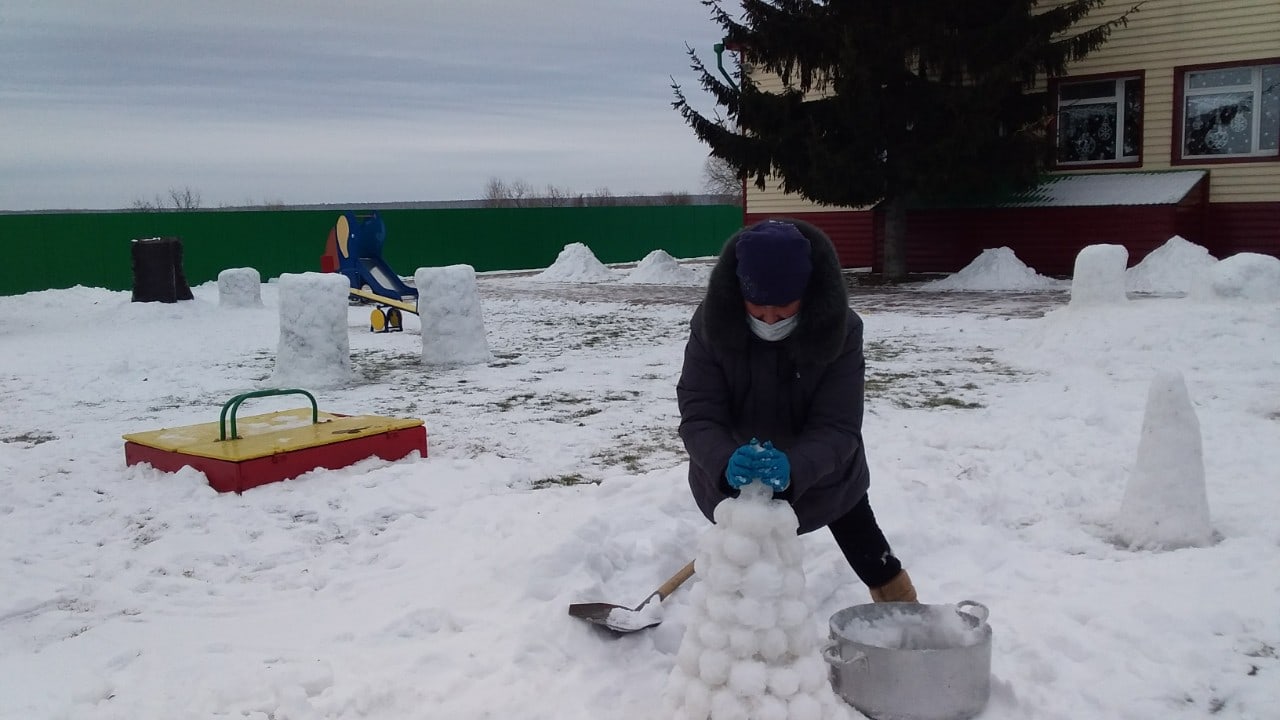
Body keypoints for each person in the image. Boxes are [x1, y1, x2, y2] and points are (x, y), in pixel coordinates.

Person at [676, 218, 918, 603]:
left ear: (807, 293)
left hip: (824, 474)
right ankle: (742, 633)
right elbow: (699, 412)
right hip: (738, 472)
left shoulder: (841, 330)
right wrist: (723, 461)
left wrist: (798, 466)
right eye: (758, 310)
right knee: (741, 563)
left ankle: (905, 615)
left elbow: (838, 426)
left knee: (868, 548)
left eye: (783, 309)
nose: (770, 320)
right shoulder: (712, 325)